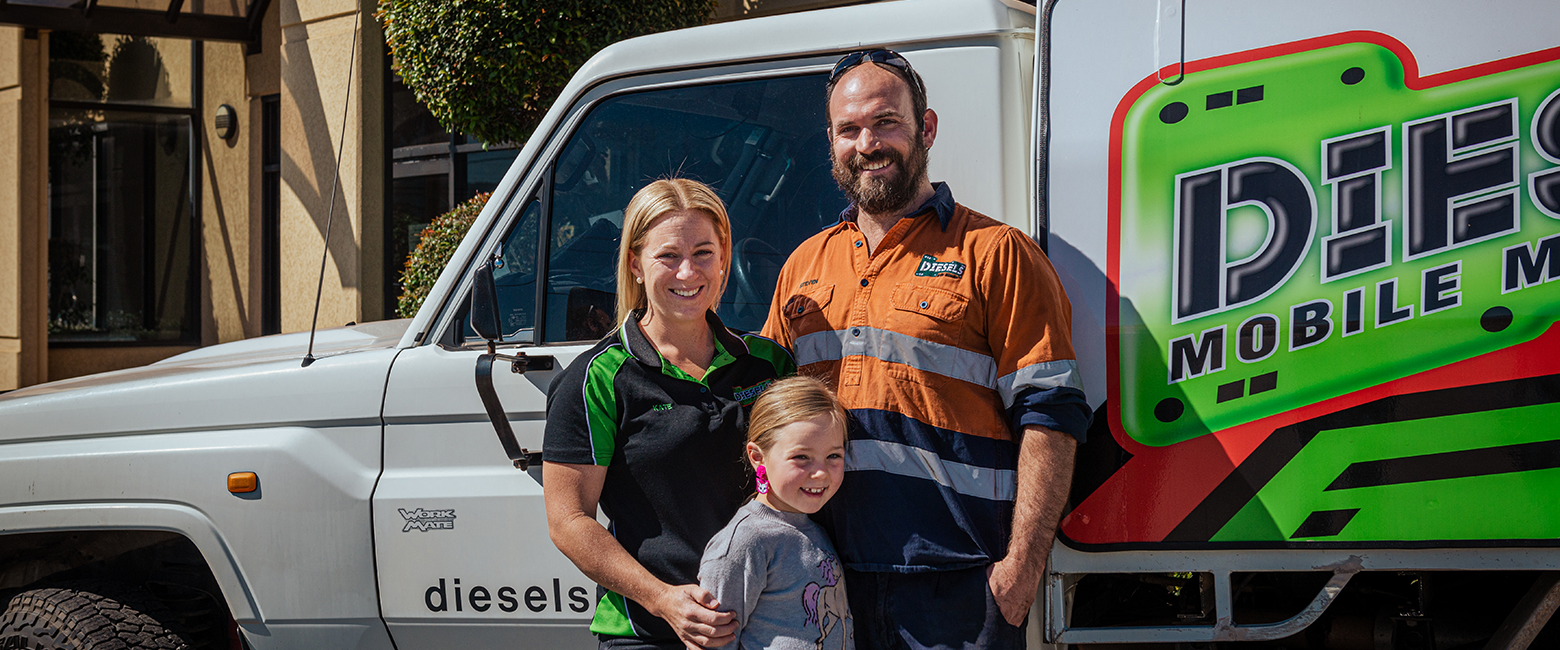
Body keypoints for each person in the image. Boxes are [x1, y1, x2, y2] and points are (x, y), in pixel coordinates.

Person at [760, 50, 1092, 649]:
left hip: (961, 589)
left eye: (886, 122)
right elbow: (768, 415)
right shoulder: (803, 266)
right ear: (832, 141)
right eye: (849, 129)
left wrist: (1019, 574)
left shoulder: (997, 253)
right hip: (826, 579)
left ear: (926, 128)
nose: (868, 143)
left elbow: (1052, 417)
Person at [545, 178, 797, 650]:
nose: (688, 272)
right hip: (653, 632)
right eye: (668, 256)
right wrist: (663, 600)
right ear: (636, 264)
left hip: (769, 626)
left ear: (724, 260)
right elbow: (569, 520)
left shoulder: (770, 364)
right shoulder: (597, 378)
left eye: (703, 252)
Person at [698, 376, 854, 650]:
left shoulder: (816, 530)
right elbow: (711, 644)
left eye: (833, 456)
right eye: (801, 457)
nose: (819, 473)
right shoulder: (745, 542)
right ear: (758, 457)